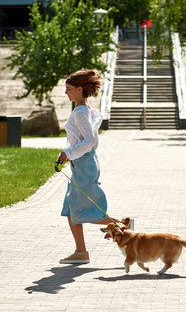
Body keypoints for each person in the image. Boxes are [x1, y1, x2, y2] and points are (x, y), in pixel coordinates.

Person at [58, 68, 121, 264]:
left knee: (83, 210)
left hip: (83, 164)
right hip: (82, 164)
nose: (66, 93)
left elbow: (89, 142)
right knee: (70, 209)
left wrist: (67, 154)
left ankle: (122, 226)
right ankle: (81, 252)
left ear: (79, 89)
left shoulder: (79, 112)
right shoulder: (86, 111)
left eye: (68, 89)